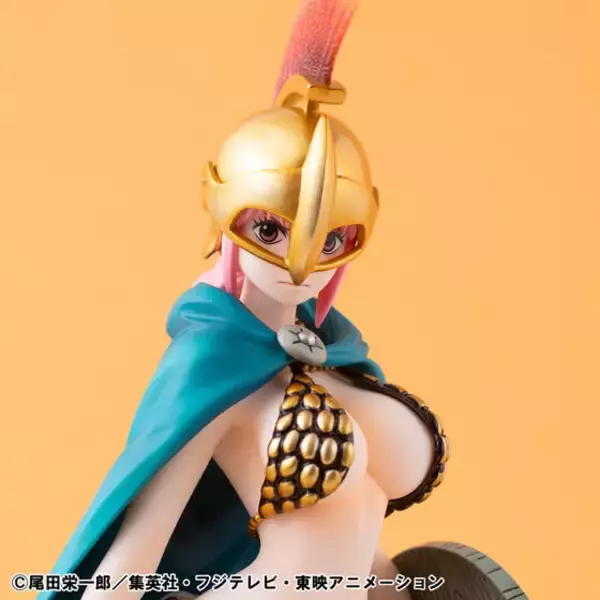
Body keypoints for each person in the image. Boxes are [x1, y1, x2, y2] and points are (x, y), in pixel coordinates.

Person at [40, 2, 525, 600]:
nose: (300, 264)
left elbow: (354, 540)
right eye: (270, 229)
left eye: (332, 240)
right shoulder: (211, 366)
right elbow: (130, 562)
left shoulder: (334, 356)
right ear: (225, 217)